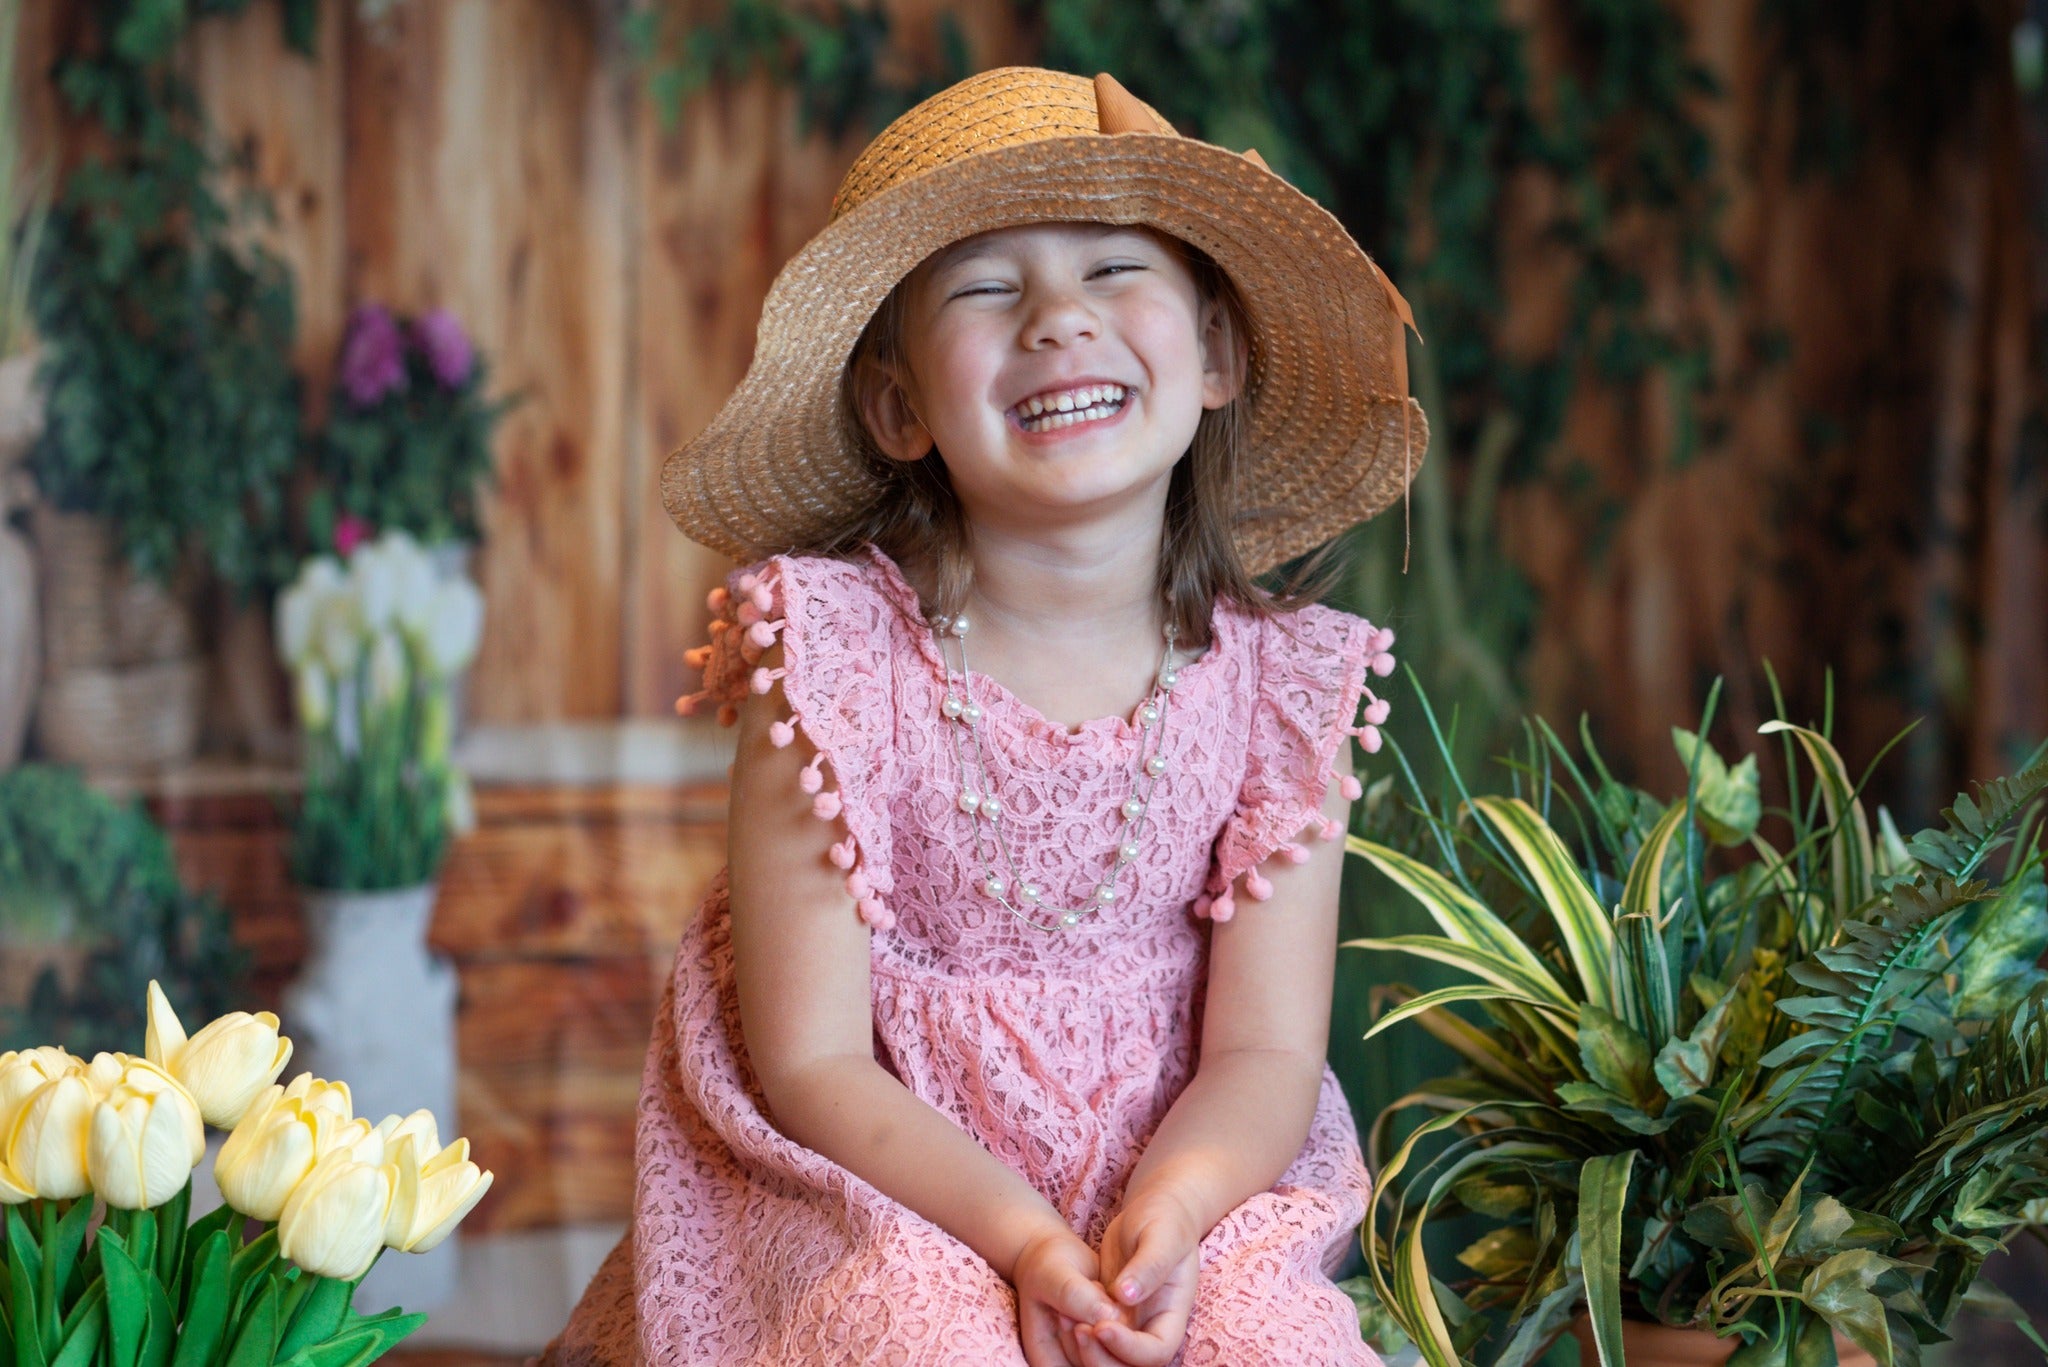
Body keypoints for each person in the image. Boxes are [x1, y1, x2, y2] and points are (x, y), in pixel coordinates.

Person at [544, 66, 1425, 1367]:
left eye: (1116, 268)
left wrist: (1171, 1213)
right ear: (902, 406)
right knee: (918, 1340)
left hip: (1173, 1167)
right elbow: (814, 1063)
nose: (1060, 321)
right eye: (987, 287)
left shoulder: (1276, 698)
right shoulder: (833, 667)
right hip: (883, 1179)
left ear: (1219, 351)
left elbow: (1267, 1049)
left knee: (1269, 1348)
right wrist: (1021, 1244)